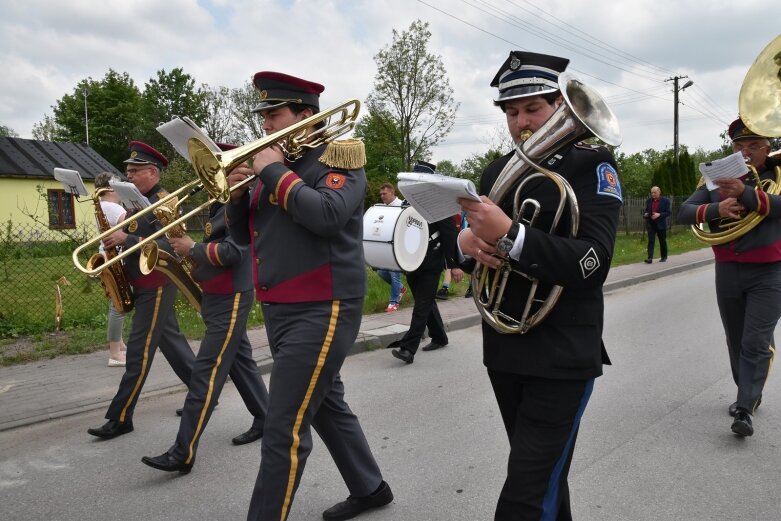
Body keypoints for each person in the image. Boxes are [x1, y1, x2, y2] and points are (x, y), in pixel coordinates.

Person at [458, 51, 622, 520]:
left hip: (562, 354)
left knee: (525, 495)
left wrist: (511, 234)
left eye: (533, 108)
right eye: (511, 112)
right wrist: (467, 243)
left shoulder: (593, 166)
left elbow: (593, 263)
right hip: (505, 349)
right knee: (543, 477)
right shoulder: (493, 171)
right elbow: (478, 263)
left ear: (560, 107)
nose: (521, 122)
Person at [226, 71, 392, 521]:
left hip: (325, 305)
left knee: (283, 426)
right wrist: (238, 192)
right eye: (262, 116)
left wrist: (270, 170)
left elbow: (326, 215)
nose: (264, 126)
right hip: (280, 307)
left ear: (306, 116)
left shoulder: (339, 158)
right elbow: (243, 235)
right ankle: (370, 487)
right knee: (326, 403)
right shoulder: (271, 167)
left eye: (273, 115)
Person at [141, 149, 270, 474]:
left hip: (231, 294)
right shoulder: (220, 200)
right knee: (239, 359)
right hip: (216, 293)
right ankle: (267, 417)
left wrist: (193, 248)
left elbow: (235, 252)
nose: (209, 177)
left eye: (216, 169)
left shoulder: (243, 201)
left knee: (207, 371)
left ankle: (182, 451)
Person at [678, 117, 781, 437]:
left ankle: (744, 406)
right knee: (736, 338)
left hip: (770, 270)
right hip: (728, 268)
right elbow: (684, 211)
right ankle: (749, 391)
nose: (746, 151)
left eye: (753, 146)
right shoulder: (716, 177)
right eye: (739, 145)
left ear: (768, 148)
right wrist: (715, 210)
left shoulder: (777, 175)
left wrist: (747, 195)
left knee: (754, 340)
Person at [87, 141, 194, 440]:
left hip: (157, 282)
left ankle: (121, 417)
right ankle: (203, 394)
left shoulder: (164, 202)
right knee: (173, 345)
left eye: (134, 171)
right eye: (127, 170)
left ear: (152, 171)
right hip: (142, 280)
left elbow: (171, 245)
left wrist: (126, 239)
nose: (128, 175)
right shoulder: (135, 200)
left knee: (138, 351)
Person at [390, 161, 462, 364]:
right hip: (411, 261)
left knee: (421, 305)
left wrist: (454, 264)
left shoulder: (438, 204)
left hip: (432, 261)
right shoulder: (407, 202)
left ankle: (408, 349)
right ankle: (440, 336)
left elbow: (449, 235)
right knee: (426, 301)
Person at [94, 172, 128, 366]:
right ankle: (115, 354)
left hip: (109, 257)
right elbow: (133, 223)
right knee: (118, 305)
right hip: (116, 259)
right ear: (111, 188)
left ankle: (119, 343)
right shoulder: (112, 207)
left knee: (116, 304)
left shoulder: (102, 206)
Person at [375, 183, 407, 312]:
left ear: (392, 193)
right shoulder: (383, 207)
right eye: (381, 194)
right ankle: (400, 288)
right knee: (381, 272)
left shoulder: (402, 206)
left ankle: (394, 302)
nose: (382, 196)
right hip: (386, 245)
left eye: (385, 194)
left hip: (398, 246)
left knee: (394, 274)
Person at [643, 186, 671, 263]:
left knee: (662, 241)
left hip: (661, 224)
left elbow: (668, 212)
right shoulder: (649, 201)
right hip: (651, 224)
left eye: (654, 192)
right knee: (651, 241)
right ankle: (650, 258)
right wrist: (646, 214)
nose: (653, 194)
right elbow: (646, 210)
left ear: (659, 192)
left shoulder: (666, 201)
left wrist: (659, 215)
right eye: (652, 192)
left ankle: (664, 257)